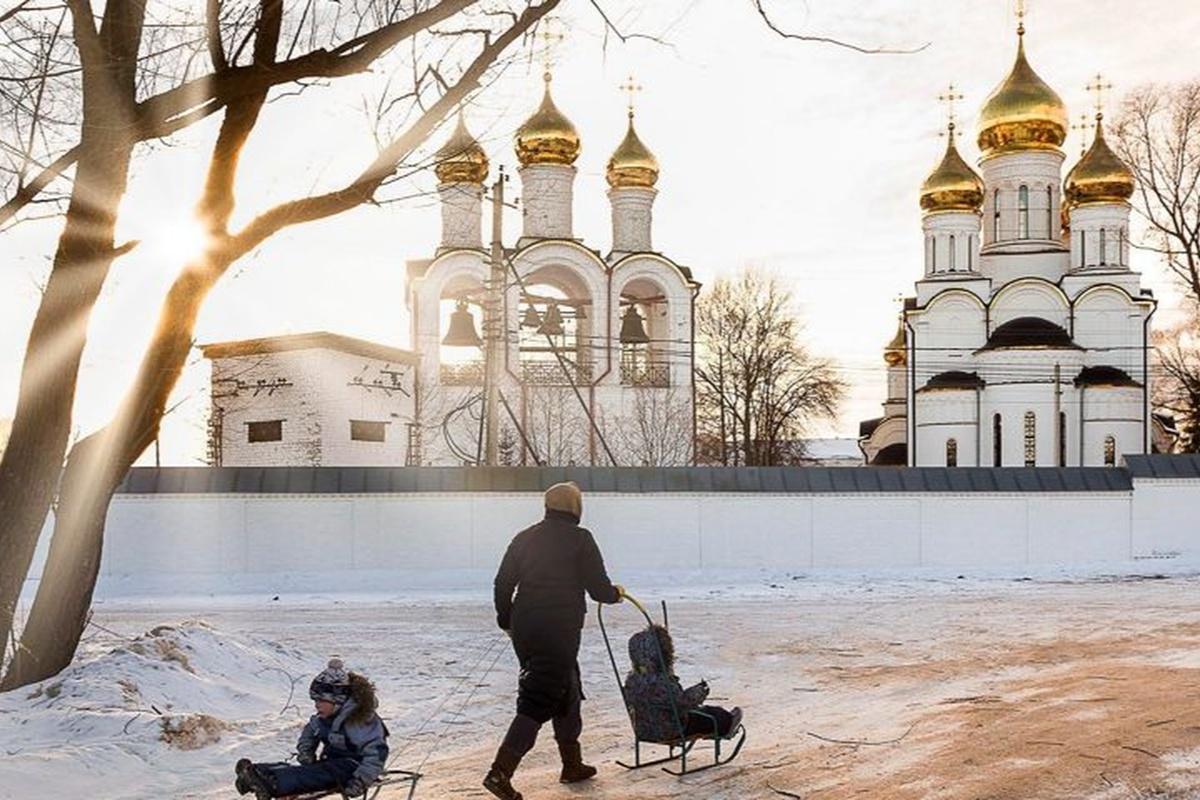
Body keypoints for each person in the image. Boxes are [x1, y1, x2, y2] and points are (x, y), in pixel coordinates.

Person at [484, 481, 624, 800]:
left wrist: (506, 620)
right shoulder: (580, 539)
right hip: (558, 627)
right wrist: (615, 594)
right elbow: (598, 588)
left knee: (567, 685)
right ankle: (499, 773)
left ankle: (571, 764)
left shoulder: (524, 537)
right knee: (540, 695)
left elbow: (503, 583)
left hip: (525, 625)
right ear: (575, 506)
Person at [235, 658, 389, 799]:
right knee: (310, 771)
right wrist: (306, 753)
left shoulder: (360, 720)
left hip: (353, 769)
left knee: (316, 774)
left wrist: (360, 782)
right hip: (330, 763)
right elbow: (309, 734)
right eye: (315, 700)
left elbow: (376, 754)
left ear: (338, 701)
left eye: (322, 700)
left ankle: (273, 782)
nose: (317, 705)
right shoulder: (323, 718)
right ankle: (256, 773)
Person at [623, 624, 743, 742]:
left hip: (644, 730)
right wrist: (699, 692)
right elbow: (681, 705)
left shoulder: (632, 680)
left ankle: (721, 723)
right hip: (671, 729)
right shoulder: (661, 682)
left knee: (704, 712)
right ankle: (728, 724)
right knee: (713, 714)